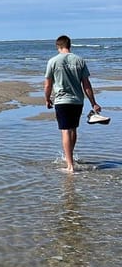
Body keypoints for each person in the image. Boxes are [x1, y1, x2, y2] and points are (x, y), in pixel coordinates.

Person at [44, 34, 101, 172]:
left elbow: (48, 84)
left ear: (58, 46)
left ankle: (70, 165)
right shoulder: (79, 60)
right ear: (69, 45)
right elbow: (86, 84)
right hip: (77, 101)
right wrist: (93, 102)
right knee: (73, 129)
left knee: (65, 130)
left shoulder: (53, 61)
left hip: (62, 100)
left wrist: (47, 99)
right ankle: (70, 157)